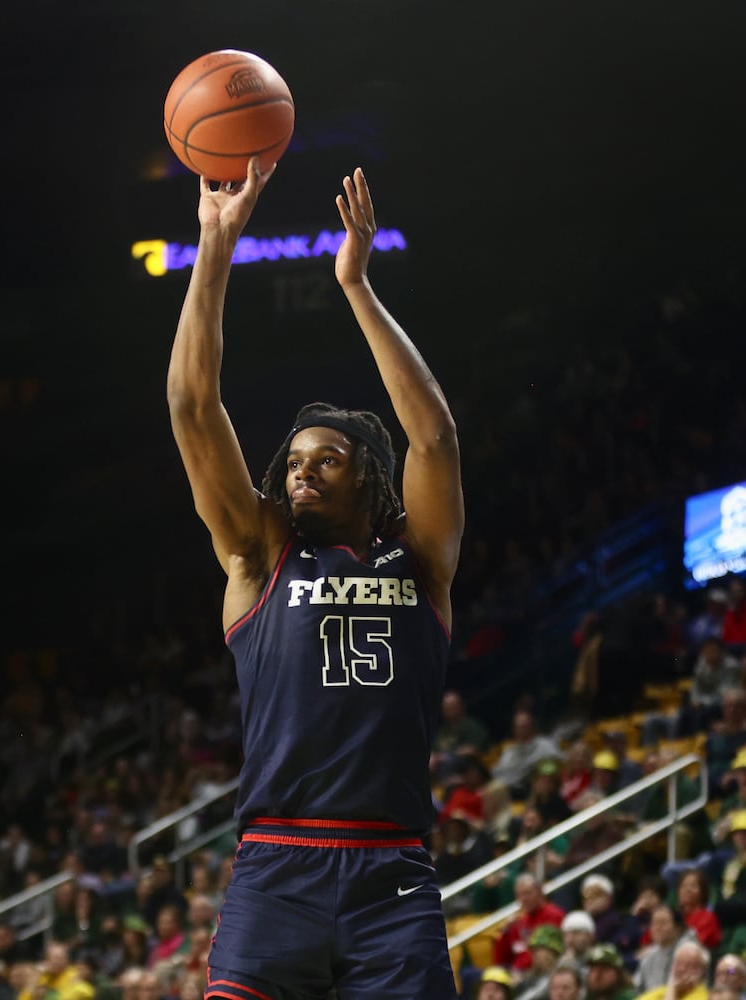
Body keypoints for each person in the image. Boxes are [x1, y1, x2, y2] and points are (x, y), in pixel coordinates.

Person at [167, 159, 463, 999]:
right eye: (292, 462)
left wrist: (356, 286)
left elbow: (433, 438)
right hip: (275, 870)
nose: (301, 473)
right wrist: (214, 247)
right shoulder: (258, 554)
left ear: (370, 479)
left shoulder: (422, 562)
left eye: (326, 460)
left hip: (391, 873)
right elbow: (193, 408)